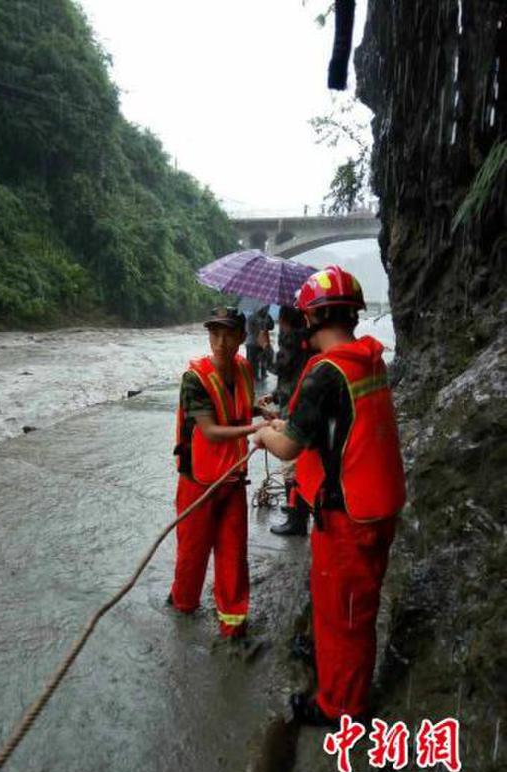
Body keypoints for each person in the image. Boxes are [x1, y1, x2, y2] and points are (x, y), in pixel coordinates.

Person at [252, 266, 406, 724]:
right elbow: (342, 427)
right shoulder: (367, 359)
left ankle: (342, 708)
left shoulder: (324, 374)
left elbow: (291, 446)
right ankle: (337, 676)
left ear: (313, 319)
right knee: (350, 604)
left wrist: (264, 433)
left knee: (347, 614)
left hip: (348, 517)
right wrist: (288, 424)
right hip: (377, 504)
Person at [170, 307, 270, 638]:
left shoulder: (242, 369)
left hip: (232, 478)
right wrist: (256, 428)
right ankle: (184, 608)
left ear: (242, 337)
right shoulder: (194, 379)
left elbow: (234, 407)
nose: (221, 342)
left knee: (233, 552)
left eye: (228, 334)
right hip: (198, 482)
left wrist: (258, 409)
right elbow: (210, 431)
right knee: (192, 555)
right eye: (215, 334)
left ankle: (233, 623)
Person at [265, 306, 313, 536]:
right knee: (300, 461)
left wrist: (265, 347)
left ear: (285, 320)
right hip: (301, 400)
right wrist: (274, 395)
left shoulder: (291, 339)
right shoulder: (309, 337)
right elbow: (293, 375)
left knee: (290, 464)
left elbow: (278, 367)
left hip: (293, 406)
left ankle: (296, 519)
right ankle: (298, 508)